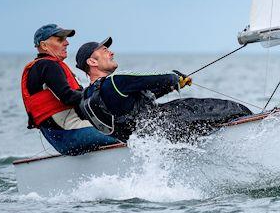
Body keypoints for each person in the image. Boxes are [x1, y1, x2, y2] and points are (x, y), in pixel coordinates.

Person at [76, 38, 252, 142]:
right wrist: (175, 78)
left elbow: (133, 104)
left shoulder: (89, 96)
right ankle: (253, 126)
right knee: (232, 109)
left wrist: (171, 87)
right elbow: (163, 77)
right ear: (92, 62)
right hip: (162, 125)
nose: (111, 53)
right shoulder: (116, 81)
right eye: (105, 50)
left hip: (144, 137)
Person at [21, 24, 120, 155]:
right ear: (44, 46)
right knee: (128, 134)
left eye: (65, 39)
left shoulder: (44, 66)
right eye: (60, 40)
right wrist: (101, 94)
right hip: (70, 135)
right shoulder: (47, 65)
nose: (67, 43)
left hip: (62, 138)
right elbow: (68, 97)